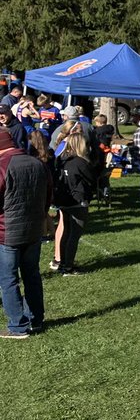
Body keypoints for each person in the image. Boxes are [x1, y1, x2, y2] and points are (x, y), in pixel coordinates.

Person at [0, 128, 51, 338]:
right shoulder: (38, 163)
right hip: (33, 229)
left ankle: (18, 325)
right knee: (31, 275)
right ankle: (36, 319)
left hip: (8, 231)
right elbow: (49, 193)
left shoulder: (3, 165)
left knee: (8, 279)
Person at [53, 132, 97, 276]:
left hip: (63, 200)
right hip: (77, 201)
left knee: (66, 232)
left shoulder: (61, 159)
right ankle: (68, 266)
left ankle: (62, 262)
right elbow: (91, 179)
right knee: (74, 234)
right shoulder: (80, 162)